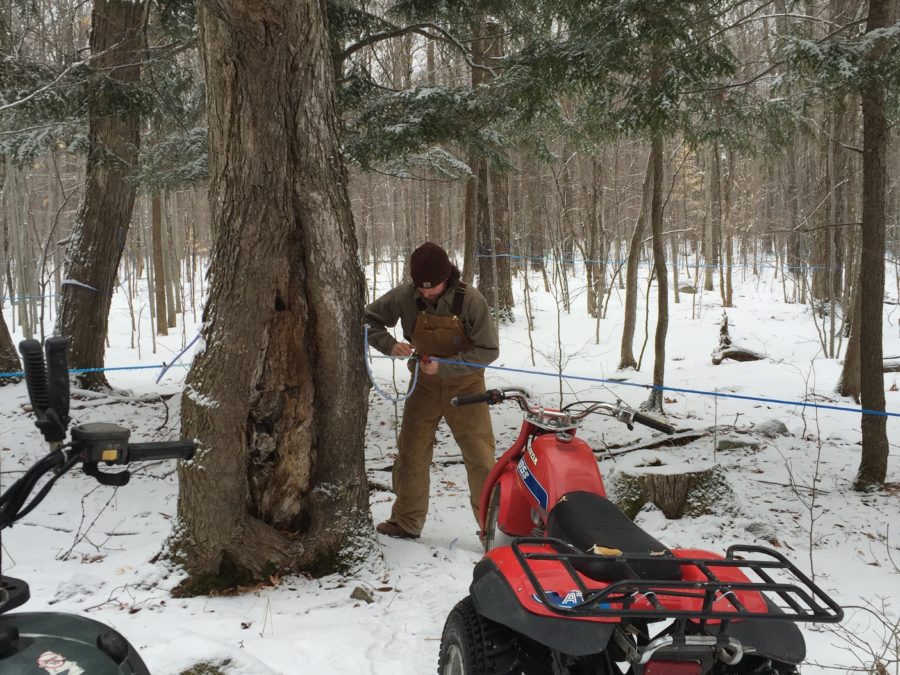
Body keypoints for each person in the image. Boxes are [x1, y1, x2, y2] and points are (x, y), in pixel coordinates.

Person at [365, 242, 499, 539]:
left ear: (448, 276)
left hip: (466, 387)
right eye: (422, 288)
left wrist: (446, 368)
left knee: (480, 455)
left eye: (433, 287)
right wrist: (390, 345)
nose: (427, 293)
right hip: (422, 387)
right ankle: (406, 521)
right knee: (411, 451)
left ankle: (491, 528)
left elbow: (488, 350)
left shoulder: (470, 300)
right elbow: (368, 320)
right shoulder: (404, 296)